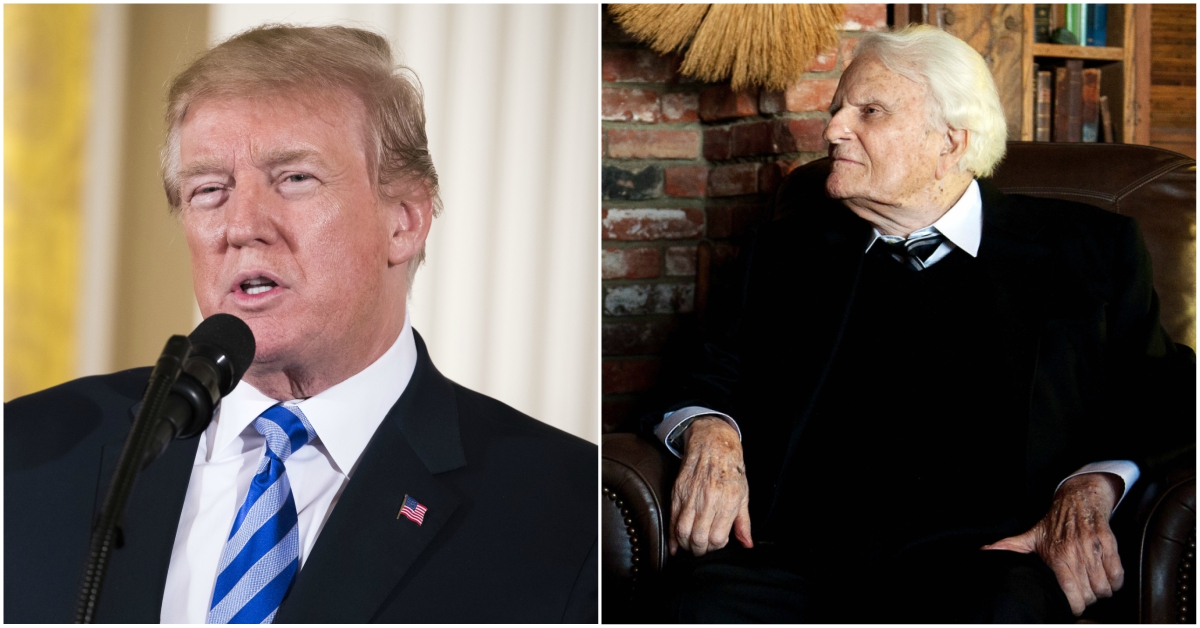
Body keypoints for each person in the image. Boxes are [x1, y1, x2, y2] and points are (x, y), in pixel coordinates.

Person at [5, 25, 596, 624]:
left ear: (404, 222)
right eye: (210, 189)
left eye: (293, 179)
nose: (242, 225)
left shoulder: (565, 508)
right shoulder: (27, 452)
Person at [650, 25, 1193, 623]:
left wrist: (1093, 485)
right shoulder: (786, 249)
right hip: (790, 558)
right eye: (836, 111)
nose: (832, 130)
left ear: (950, 142)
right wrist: (710, 433)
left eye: (870, 111)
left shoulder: (1087, 249)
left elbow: (1161, 396)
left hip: (990, 562)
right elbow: (700, 370)